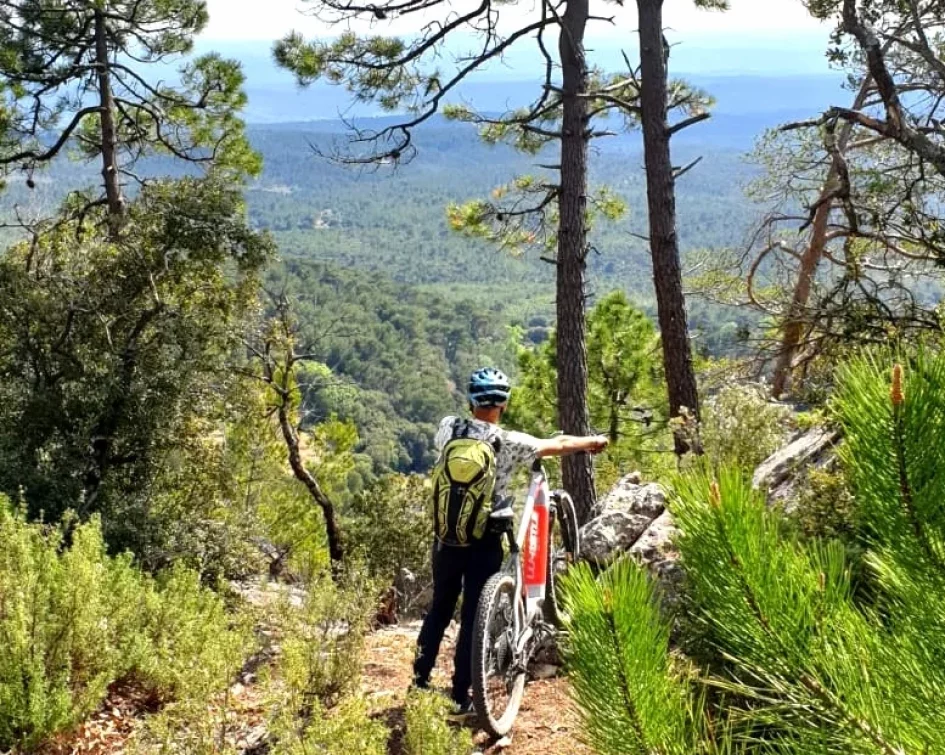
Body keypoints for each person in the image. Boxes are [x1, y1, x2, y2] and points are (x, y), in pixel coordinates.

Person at [412, 367, 609, 714]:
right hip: (485, 538)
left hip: (446, 535)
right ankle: (461, 696)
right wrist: (591, 443)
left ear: (471, 400)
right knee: (474, 615)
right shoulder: (509, 442)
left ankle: (419, 684)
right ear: (503, 405)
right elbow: (558, 444)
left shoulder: (448, 428)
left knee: (440, 607)